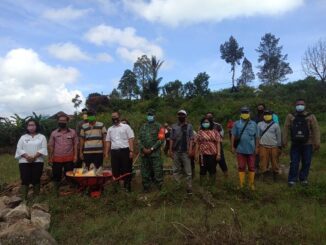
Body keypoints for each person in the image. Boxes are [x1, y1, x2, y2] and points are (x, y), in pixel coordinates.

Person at [283, 99, 320, 187]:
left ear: (305, 105)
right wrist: (284, 141)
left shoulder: (311, 116)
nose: (300, 106)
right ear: (295, 105)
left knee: (306, 162)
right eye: (298, 104)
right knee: (294, 162)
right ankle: (292, 180)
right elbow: (285, 128)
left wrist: (317, 142)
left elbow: (316, 129)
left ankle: (303, 179)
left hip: (308, 143)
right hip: (295, 143)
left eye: (302, 104)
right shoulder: (290, 116)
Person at [15, 119, 47, 200]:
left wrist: (34, 157)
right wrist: (27, 157)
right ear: (27, 127)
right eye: (29, 125)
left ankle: (36, 198)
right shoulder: (23, 137)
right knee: (25, 179)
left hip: (38, 161)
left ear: (36, 126)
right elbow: (19, 148)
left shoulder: (42, 137)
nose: (31, 127)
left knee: (36, 179)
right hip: (24, 161)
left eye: (33, 125)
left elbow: (43, 148)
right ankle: (24, 199)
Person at [48, 114, 78, 194]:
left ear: (67, 121)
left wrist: (75, 156)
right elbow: (51, 146)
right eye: (60, 121)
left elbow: (75, 145)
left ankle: (71, 191)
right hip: (57, 158)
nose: (62, 122)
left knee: (70, 175)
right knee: (56, 176)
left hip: (69, 158)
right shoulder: (54, 133)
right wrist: (50, 157)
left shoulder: (73, 132)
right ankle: (56, 192)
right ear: (58, 121)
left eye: (64, 121)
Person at [105, 111, 134, 192]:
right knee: (115, 171)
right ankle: (116, 189)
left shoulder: (126, 127)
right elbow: (108, 141)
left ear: (119, 117)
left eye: (116, 117)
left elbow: (130, 139)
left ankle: (127, 188)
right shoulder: (110, 129)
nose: (114, 119)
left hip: (125, 151)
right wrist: (106, 153)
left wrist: (131, 151)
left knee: (126, 170)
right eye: (113, 117)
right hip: (114, 152)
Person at [231, 107, 259, 190]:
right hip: (240, 149)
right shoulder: (236, 123)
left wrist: (257, 147)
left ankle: (251, 185)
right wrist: (232, 146)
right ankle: (241, 184)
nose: (245, 113)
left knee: (251, 167)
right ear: (241, 113)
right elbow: (233, 135)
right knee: (241, 167)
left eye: (246, 112)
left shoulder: (254, 124)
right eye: (243, 112)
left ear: (249, 113)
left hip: (251, 150)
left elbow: (257, 137)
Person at [138, 109, 164, 192]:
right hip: (144, 154)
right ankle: (146, 188)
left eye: (151, 115)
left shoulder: (159, 126)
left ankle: (160, 188)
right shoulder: (143, 126)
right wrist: (143, 149)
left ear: (154, 116)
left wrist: (152, 149)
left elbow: (161, 140)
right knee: (145, 171)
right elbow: (139, 140)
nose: (150, 116)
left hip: (155, 154)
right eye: (149, 115)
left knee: (157, 171)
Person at [169, 110, 194, 194]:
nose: (181, 116)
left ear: (186, 116)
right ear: (177, 116)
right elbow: (171, 139)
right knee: (176, 170)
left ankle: (189, 187)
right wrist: (170, 150)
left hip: (185, 151)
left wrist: (190, 149)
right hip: (176, 150)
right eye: (179, 115)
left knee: (188, 171)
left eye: (182, 115)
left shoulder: (189, 126)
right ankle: (177, 186)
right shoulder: (174, 126)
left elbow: (191, 139)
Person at [194, 118, 221, 186]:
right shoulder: (200, 132)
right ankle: (202, 184)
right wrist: (196, 154)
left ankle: (212, 184)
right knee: (202, 169)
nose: (206, 123)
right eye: (204, 122)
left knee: (212, 169)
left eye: (207, 122)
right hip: (202, 154)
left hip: (212, 154)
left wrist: (219, 154)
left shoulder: (215, 132)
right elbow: (197, 143)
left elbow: (218, 143)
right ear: (202, 124)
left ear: (210, 123)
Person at [257, 110, 282, 181]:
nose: (267, 115)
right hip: (263, 145)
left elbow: (278, 136)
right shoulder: (259, 124)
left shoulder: (276, 125)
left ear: (272, 115)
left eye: (268, 114)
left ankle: (275, 176)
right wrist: (257, 146)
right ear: (263, 115)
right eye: (265, 114)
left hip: (274, 146)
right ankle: (264, 176)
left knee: (275, 161)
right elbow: (258, 136)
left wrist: (279, 147)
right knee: (263, 161)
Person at [206, 112, 228, 177]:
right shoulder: (204, 125)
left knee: (222, 161)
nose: (209, 118)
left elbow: (221, 135)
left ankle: (226, 175)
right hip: (208, 147)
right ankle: (212, 178)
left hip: (218, 145)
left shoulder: (218, 125)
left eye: (210, 117)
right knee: (211, 163)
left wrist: (214, 136)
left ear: (213, 118)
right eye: (208, 117)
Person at [254, 103, 266, 173]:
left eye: (261, 107)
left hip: (265, 137)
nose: (260, 109)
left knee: (264, 153)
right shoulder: (255, 116)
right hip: (256, 137)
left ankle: (264, 168)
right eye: (259, 108)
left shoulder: (267, 115)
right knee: (257, 152)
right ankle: (256, 167)